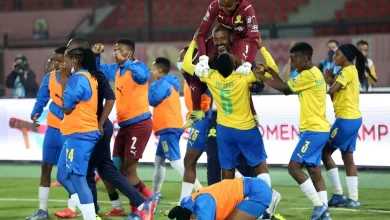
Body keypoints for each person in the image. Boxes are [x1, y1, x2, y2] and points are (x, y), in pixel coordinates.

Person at [54, 38, 155, 220]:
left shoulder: (89, 76)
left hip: (94, 127)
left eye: (69, 51)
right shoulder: (95, 73)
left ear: (77, 55)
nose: (65, 55)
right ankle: (115, 206)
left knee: (93, 171)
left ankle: (97, 210)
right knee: (102, 169)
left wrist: (100, 123)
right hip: (95, 126)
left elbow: (109, 98)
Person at [183, 31, 281, 219]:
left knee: (234, 169)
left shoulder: (216, 72)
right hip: (232, 124)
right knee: (241, 165)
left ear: (230, 40)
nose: (219, 42)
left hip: (230, 126)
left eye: (222, 38)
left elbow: (188, 67)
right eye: (216, 38)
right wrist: (262, 49)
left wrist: (195, 40)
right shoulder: (233, 72)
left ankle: (250, 203)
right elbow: (271, 71)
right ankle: (256, 205)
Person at [256, 42, 332, 220]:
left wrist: (260, 76)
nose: (292, 63)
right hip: (316, 129)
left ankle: (320, 206)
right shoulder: (312, 74)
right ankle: (324, 213)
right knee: (314, 170)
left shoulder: (309, 75)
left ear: (305, 58)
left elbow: (284, 89)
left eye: (294, 59)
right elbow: (286, 85)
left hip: (314, 130)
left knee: (294, 168)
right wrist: (272, 73)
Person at [94, 39, 155, 218]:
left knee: (129, 169)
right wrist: (96, 56)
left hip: (139, 124)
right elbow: (98, 72)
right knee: (114, 168)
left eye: (119, 50)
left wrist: (127, 61)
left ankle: (138, 211)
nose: (114, 53)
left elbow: (144, 77)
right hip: (124, 126)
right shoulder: (117, 70)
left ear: (128, 53)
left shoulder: (138, 67)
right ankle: (145, 198)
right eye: (114, 50)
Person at [185, 0, 260, 128]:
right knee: (196, 66)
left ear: (237, 1)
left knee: (241, 73)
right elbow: (202, 34)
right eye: (222, 6)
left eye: (229, 6)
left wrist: (248, 63)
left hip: (241, 40)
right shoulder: (214, 6)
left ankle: (252, 113)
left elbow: (255, 39)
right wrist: (203, 59)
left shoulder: (247, 9)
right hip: (222, 35)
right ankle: (196, 110)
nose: (225, 9)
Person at [56, 46, 101, 220]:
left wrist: (63, 79)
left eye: (65, 60)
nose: (62, 64)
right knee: (62, 175)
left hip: (80, 133)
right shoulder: (89, 76)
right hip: (76, 133)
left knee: (77, 177)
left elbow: (66, 108)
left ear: (74, 60)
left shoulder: (77, 79)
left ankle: (90, 217)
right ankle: (89, 213)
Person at [26, 45, 67, 220]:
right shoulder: (49, 78)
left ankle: (73, 208)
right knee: (46, 167)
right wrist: (36, 112)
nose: (56, 64)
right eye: (55, 60)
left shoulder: (77, 79)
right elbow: (42, 98)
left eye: (60, 60)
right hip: (52, 129)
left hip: (70, 131)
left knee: (68, 173)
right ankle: (42, 210)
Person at [322, 44, 366, 208]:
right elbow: (335, 95)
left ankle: (338, 194)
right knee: (348, 156)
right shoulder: (348, 71)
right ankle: (353, 198)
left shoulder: (347, 71)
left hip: (346, 120)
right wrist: (331, 82)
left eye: (337, 54)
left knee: (325, 152)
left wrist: (328, 83)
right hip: (352, 119)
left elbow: (332, 91)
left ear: (346, 57)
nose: (334, 57)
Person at [149, 57, 190, 206]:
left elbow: (153, 100)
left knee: (175, 162)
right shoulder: (171, 83)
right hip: (170, 126)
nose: (151, 71)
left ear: (160, 70)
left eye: (152, 68)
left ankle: (197, 189)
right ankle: (155, 194)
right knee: (159, 161)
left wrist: (145, 90)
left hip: (168, 127)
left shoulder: (162, 83)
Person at [167, 177, 272, 220]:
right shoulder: (195, 201)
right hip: (254, 187)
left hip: (256, 192)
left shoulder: (202, 203)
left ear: (191, 216)